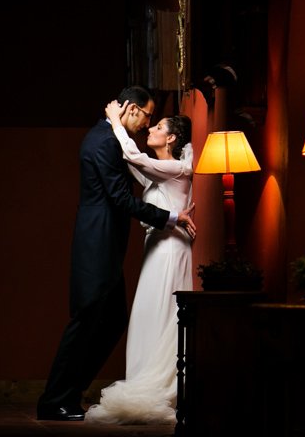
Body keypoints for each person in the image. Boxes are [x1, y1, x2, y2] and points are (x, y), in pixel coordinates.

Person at [36, 86, 197, 422]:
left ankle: (69, 394)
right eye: (148, 115)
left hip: (105, 245)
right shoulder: (105, 141)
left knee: (110, 320)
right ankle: (55, 401)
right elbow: (122, 199)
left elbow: (137, 173)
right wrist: (170, 218)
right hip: (97, 245)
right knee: (85, 321)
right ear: (133, 109)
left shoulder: (109, 138)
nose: (148, 124)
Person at [84, 101, 194, 425]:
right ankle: (143, 377)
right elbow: (131, 160)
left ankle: (164, 386)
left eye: (159, 127)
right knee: (147, 315)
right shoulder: (156, 176)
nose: (151, 129)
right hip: (155, 249)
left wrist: (115, 119)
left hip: (172, 251)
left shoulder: (178, 170)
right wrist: (117, 129)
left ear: (172, 139)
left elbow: (133, 156)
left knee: (164, 314)